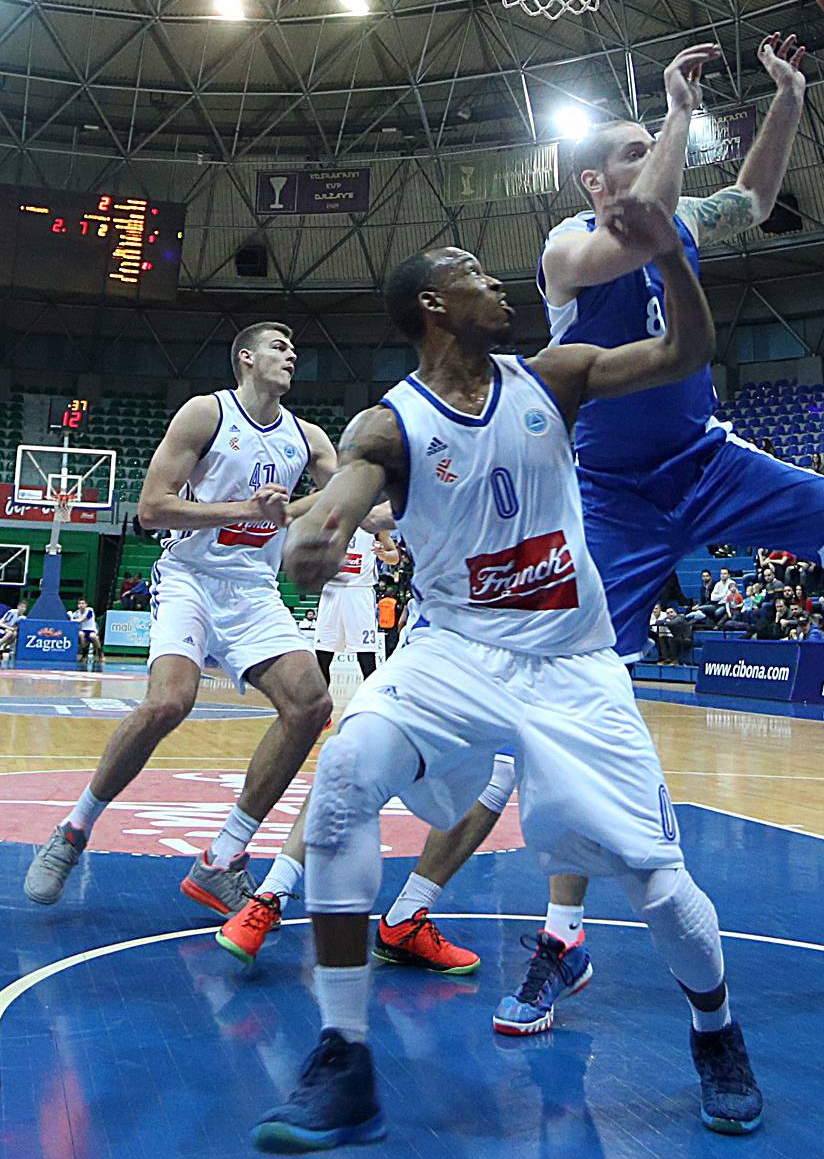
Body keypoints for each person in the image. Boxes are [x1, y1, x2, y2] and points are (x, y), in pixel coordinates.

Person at [363, 40, 824, 1039]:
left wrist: (789, 99)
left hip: (708, 457)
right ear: (593, 175)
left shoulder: (684, 214)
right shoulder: (568, 248)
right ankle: (562, 938)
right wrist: (668, 110)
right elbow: (642, 226)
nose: (662, 148)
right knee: (571, 730)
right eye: (636, 144)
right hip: (612, 497)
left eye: (659, 140)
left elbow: (747, 191)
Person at [247, 203, 764, 1150]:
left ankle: (715, 1031)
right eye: (479, 274)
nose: (502, 286)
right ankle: (344, 1057)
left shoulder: (555, 376)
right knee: (345, 778)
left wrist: (670, 253)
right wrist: (310, 545)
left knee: (656, 882)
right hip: (455, 652)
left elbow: (684, 352)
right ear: (438, 304)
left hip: (571, 660)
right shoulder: (390, 423)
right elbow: (334, 512)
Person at [23, 322, 337, 919]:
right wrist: (245, 508)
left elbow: (349, 496)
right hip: (190, 579)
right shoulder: (206, 414)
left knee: (312, 705)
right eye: (279, 345)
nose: (292, 353)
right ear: (246, 358)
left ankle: (222, 859)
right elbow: (151, 508)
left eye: (293, 347)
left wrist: (401, 510)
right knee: (169, 702)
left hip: (253, 588)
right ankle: (73, 829)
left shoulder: (308, 437)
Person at [312, 522, 399, 686]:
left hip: (359, 592)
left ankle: (371, 706)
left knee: (366, 659)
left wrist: (383, 555)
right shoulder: (329, 518)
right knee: (323, 656)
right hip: (332, 590)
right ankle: (320, 709)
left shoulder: (375, 522)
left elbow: (394, 557)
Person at [68, 597, 101, 670]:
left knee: (93, 636)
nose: (81, 605)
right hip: (83, 631)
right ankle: (84, 654)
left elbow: (82, 620)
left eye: (83, 603)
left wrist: (73, 620)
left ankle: (100, 654)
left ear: (86, 604)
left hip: (91, 630)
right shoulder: (76, 613)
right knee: (80, 634)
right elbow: (71, 620)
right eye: (79, 603)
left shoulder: (90, 610)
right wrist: (70, 616)